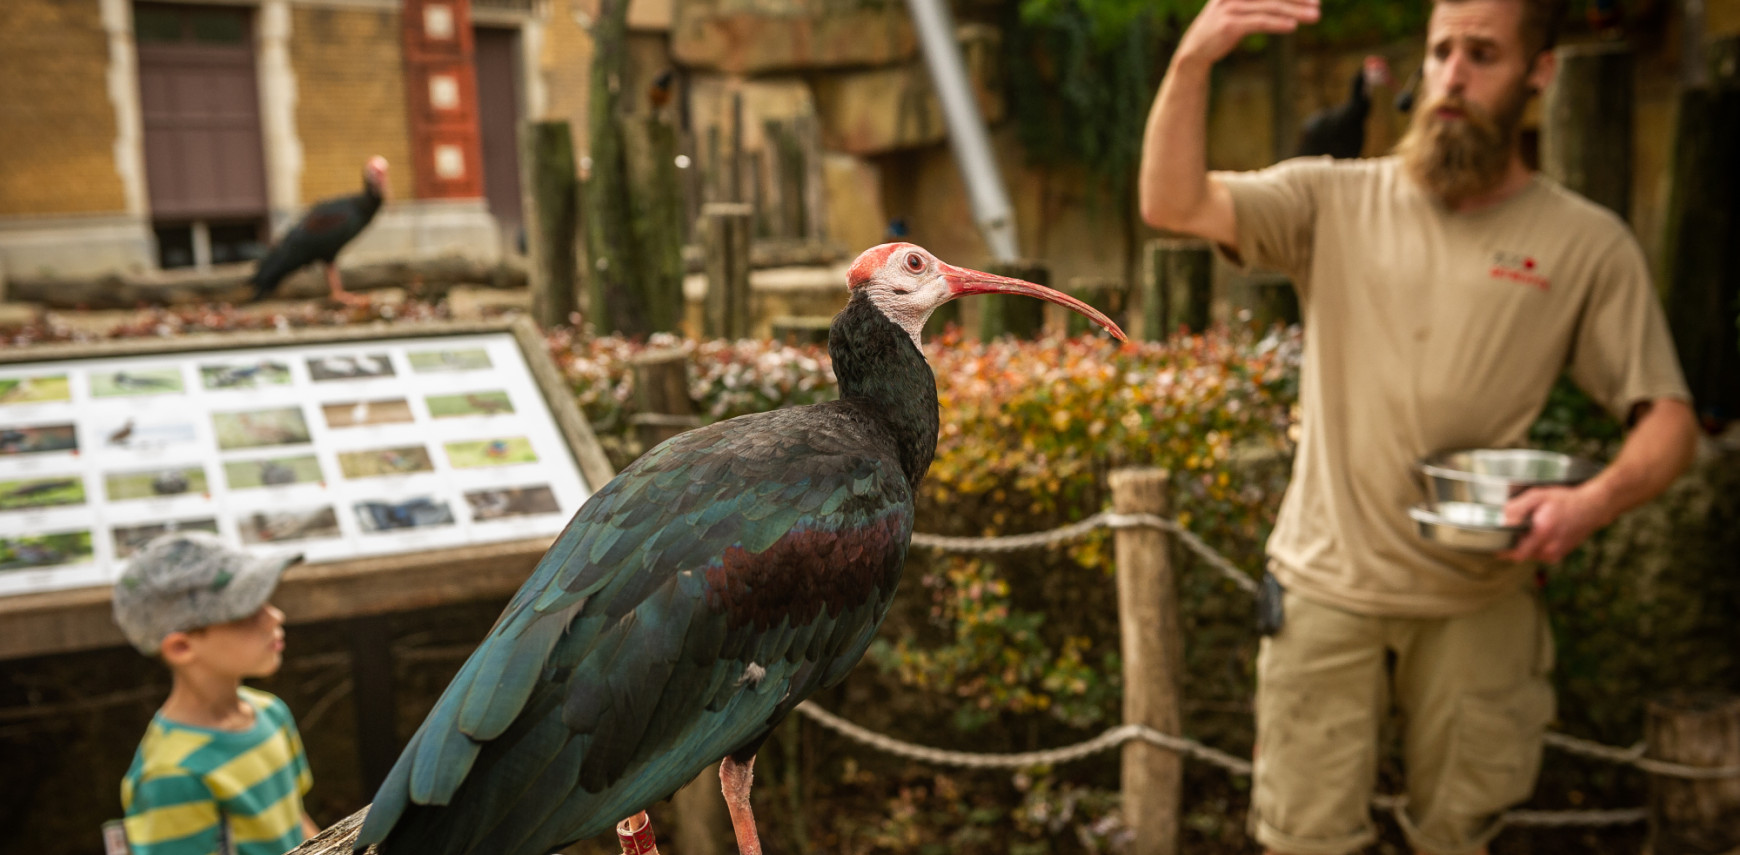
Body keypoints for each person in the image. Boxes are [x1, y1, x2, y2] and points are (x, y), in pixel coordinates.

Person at [1138, 1, 1700, 853]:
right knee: (1303, 839)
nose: (1452, 75)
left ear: (1538, 73)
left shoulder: (1587, 242)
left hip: (1481, 599)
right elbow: (1173, 203)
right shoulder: (1331, 196)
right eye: (1440, 52)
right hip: (1326, 589)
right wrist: (1193, 61)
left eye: (1482, 54)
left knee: (1462, 835)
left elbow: (1669, 421)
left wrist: (1591, 503)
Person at [112, 531, 319, 855]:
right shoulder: (172, 775)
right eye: (246, 611)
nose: (275, 616)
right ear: (181, 647)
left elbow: (296, 820)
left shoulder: (270, 712)